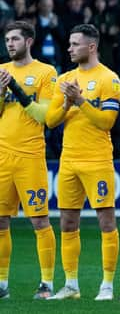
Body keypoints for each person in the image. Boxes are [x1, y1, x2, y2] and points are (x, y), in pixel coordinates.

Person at [45, 24, 120, 301]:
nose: (69, 48)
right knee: (67, 222)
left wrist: (80, 100)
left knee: (106, 221)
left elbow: (106, 122)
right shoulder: (64, 78)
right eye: (69, 43)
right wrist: (67, 103)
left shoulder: (109, 79)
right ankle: (71, 285)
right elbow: (51, 121)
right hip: (69, 160)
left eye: (75, 44)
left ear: (91, 47)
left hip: (97, 160)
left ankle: (107, 284)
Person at [0, 21, 57, 300]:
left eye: (14, 39)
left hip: (30, 156)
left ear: (29, 41)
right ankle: (1, 285)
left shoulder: (46, 72)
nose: (9, 44)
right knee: (0, 221)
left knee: (39, 220)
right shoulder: (1, 71)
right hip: (1, 156)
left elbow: (42, 116)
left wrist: (17, 90)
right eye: (7, 39)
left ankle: (47, 283)